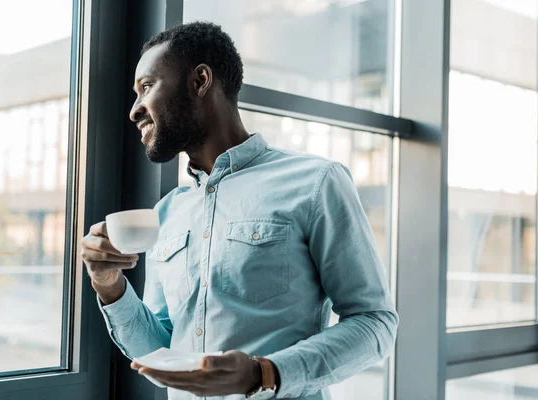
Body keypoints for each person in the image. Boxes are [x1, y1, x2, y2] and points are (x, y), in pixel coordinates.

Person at [81, 21, 398, 400]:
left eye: (146, 87)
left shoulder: (316, 182)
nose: (135, 111)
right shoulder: (168, 211)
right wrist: (109, 285)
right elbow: (159, 351)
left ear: (200, 81)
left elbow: (375, 323)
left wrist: (263, 373)